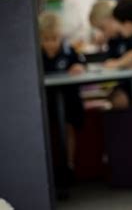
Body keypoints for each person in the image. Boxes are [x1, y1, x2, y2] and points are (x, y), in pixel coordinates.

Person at [39, 11, 86, 196]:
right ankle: (50, 169)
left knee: (68, 128)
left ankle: (69, 166)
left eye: (54, 38)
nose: (51, 43)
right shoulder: (36, 56)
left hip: (68, 101)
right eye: (46, 39)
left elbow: (80, 64)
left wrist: (78, 67)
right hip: (46, 102)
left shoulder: (69, 51)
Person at [89, 0, 132, 108]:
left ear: (113, 19)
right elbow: (110, 61)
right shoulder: (113, 41)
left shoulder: (129, 34)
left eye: (102, 28)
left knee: (120, 100)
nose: (102, 33)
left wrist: (118, 63)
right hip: (125, 83)